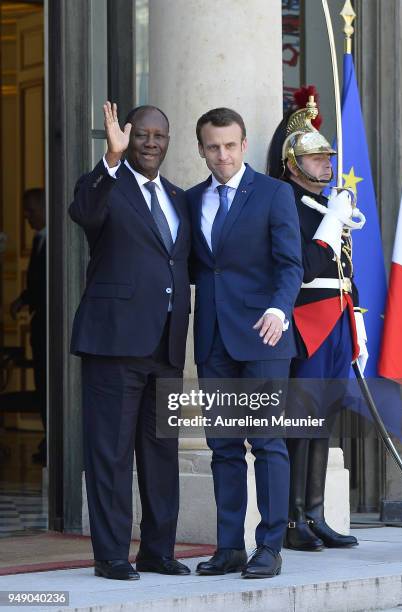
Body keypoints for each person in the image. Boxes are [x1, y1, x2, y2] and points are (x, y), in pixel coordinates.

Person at [69, 102, 191, 580]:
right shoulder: (105, 185)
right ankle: (113, 555)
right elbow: (83, 211)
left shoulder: (180, 197)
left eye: (159, 135)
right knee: (111, 453)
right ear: (124, 135)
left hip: (166, 346)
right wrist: (111, 161)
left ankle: (158, 551)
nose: (151, 143)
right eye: (142, 134)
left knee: (162, 455)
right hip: (114, 343)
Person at [187, 107, 303, 579]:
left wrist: (279, 309)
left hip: (263, 337)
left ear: (244, 145)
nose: (222, 155)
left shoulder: (274, 194)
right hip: (214, 338)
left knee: (268, 442)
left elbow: (290, 264)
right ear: (201, 150)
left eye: (230, 146)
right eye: (213, 147)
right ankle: (229, 547)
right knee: (224, 447)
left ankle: (270, 547)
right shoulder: (192, 199)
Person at [267, 88, 368, 551]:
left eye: (327, 157)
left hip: (338, 319)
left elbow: (345, 268)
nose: (327, 164)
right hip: (307, 318)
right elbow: (303, 265)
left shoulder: (327, 202)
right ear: (292, 163)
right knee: (299, 422)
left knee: (323, 421)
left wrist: (358, 321)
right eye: (316, 158)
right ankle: (291, 522)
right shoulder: (284, 201)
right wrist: (332, 222)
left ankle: (315, 513)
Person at [10, 189, 46, 466]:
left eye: (31, 210)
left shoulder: (56, 242)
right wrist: (22, 299)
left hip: (51, 330)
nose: (26, 216)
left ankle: (53, 441)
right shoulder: (38, 241)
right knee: (42, 383)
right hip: (39, 327)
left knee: (49, 385)